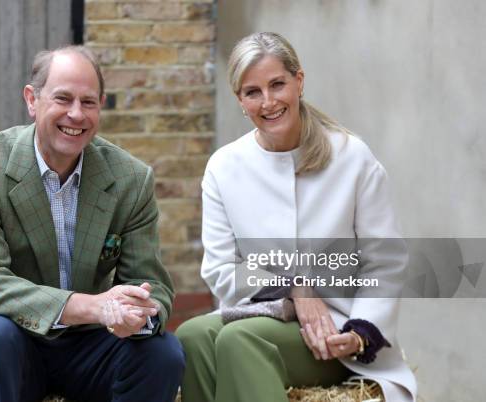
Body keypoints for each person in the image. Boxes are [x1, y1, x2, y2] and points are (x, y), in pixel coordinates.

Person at [0, 45, 184, 402]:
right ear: (32, 100)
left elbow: (151, 282)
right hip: (9, 336)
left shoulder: (131, 179)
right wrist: (92, 306)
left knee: (162, 353)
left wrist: (138, 313)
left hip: (88, 343)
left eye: (89, 102)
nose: (76, 114)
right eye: (63, 99)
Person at [176, 32, 417, 402]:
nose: (268, 101)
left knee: (241, 340)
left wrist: (359, 334)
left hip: (337, 330)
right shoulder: (223, 168)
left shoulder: (352, 157)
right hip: (263, 312)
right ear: (240, 100)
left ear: (298, 81)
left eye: (277, 84)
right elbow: (221, 271)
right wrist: (294, 288)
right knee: (191, 337)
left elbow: (385, 261)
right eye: (253, 91)